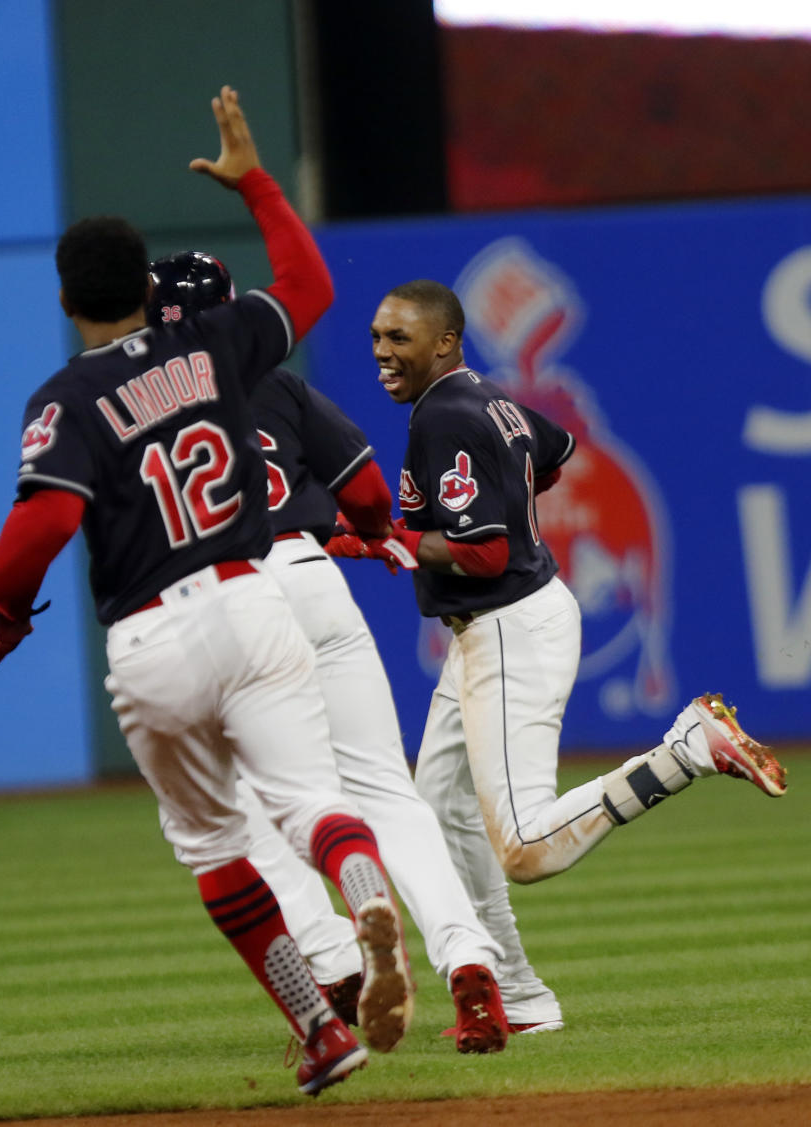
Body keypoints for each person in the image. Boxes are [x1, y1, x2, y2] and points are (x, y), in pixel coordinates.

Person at [0, 86, 416, 1099]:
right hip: (254, 602)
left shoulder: (66, 397)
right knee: (311, 806)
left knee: (214, 845)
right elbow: (310, 281)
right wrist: (254, 184)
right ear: (148, 283)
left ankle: (318, 1030)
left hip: (154, 638)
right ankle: (365, 884)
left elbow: (46, 523)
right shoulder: (213, 344)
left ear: (69, 299)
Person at [146, 251, 556, 1055]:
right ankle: (472, 964)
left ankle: (335, 963)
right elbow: (365, 490)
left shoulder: (132, 406)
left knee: (238, 810)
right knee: (387, 792)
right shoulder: (278, 383)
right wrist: (368, 535)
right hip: (309, 578)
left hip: (215, 600)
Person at [328, 277, 786, 965]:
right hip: (501, 623)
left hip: (506, 623)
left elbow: (483, 555)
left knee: (523, 850)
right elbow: (554, 453)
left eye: (400, 337)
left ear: (446, 340)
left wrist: (379, 538)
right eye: (376, 337)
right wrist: (497, 501)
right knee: (441, 811)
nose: (383, 352)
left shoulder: (444, 414)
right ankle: (517, 994)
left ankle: (685, 750)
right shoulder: (484, 396)